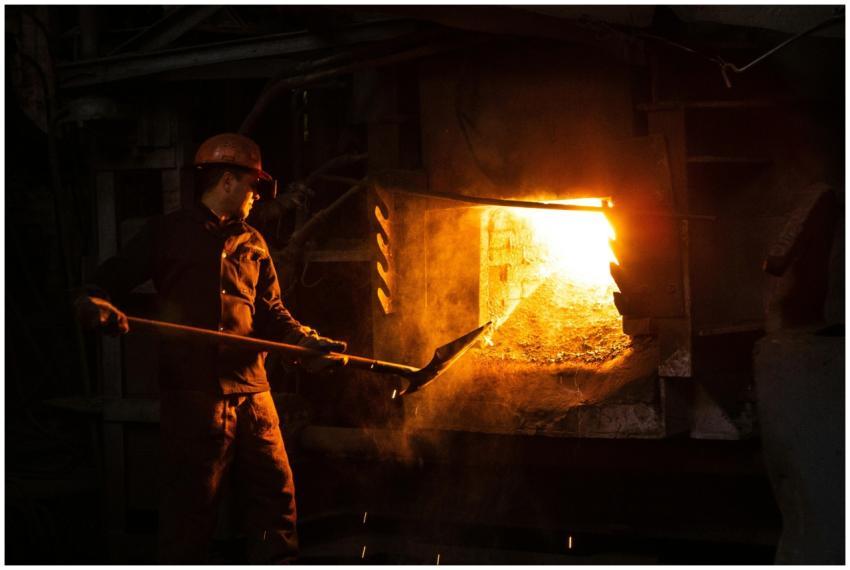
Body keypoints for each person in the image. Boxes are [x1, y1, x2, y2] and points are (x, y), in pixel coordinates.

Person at [75, 133, 346, 563]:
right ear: (227, 182)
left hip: (254, 394)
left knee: (277, 501)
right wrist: (96, 305)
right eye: (253, 185)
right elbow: (106, 282)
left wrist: (305, 342)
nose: (257, 196)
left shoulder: (254, 244)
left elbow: (273, 312)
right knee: (190, 511)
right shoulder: (167, 234)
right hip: (194, 396)